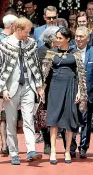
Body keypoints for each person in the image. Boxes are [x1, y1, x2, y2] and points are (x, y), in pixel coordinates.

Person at [0, 18, 44, 165]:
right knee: (11, 122)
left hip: (28, 86)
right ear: (18, 30)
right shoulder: (4, 44)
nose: (28, 34)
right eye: (26, 32)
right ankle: (14, 153)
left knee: (28, 119)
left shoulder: (31, 43)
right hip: (10, 89)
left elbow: (36, 65)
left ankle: (31, 150)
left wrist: (39, 85)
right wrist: (3, 89)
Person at [40, 27, 87, 164]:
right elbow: (44, 74)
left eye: (60, 38)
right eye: (56, 37)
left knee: (69, 118)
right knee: (53, 119)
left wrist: (80, 90)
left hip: (71, 87)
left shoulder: (76, 53)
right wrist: (42, 88)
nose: (57, 40)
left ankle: (67, 151)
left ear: (67, 39)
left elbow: (81, 74)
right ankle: (53, 150)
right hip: (55, 87)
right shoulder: (51, 52)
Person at [62, 26, 93, 158]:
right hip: (71, 90)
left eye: (81, 37)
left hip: (89, 91)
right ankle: (71, 146)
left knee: (85, 120)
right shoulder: (69, 51)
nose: (78, 39)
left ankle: (83, 147)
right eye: (77, 36)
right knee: (69, 119)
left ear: (88, 38)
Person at [0, 14, 18, 155]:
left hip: (14, 82)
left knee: (10, 114)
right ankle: (4, 144)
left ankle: (10, 143)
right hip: (2, 82)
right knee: (3, 115)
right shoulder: (0, 40)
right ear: (11, 25)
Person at [36, 25, 60, 154]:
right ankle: (47, 143)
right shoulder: (41, 50)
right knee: (44, 115)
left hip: (58, 85)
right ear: (51, 38)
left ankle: (54, 141)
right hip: (45, 87)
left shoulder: (60, 49)